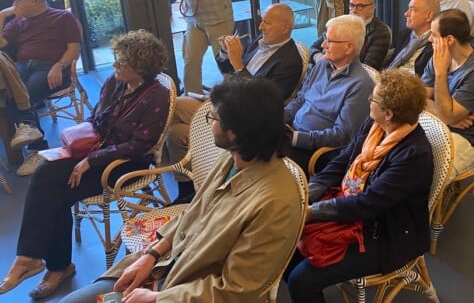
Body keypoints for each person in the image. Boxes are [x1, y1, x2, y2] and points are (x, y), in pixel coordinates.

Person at [57, 77, 304, 302]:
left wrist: (158, 298)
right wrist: (151, 255)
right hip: (167, 266)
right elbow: (194, 210)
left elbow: (236, 290)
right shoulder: (234, 158)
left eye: (214, 119)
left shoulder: (276, 204)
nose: (211, 125)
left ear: (234, 134)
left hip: (188, 291)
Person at [0, 30, 170, 300]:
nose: (114, 65)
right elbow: (96, 118)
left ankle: (53, 266)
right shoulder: (115, 82)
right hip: (95, 150)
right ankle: (31, 258)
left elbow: (138, 146)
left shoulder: (157, 97)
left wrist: (90, 160)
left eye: (121, 62)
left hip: (124, 164)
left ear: (140, 68)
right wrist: (77, 148)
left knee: (56, 192)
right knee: (45, 173)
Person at [285, 69, 433, 303]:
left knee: (300, 280)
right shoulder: (375, 125)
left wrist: (311, 212)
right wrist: (310, 191)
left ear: (388, 113)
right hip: (355, 207)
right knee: (286, 246)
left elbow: (368, 204)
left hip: (384, 234)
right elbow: (344, 158)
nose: (368, 101)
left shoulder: (414, 156)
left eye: (372, 99)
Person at [164, 3, 304, 203]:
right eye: (262, 21)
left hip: (242, 118)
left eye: (267, 23)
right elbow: (227, 69)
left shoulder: (290, 62)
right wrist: (224, 53)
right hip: (225, 102)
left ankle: (192, 189)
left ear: (285, 27)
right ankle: (186, 186)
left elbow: (262, 103)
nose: (261, 27)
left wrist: (239, 65)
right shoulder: (260, 42)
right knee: (175, 106)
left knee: (177, 133)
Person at [0, 0, 82, 176]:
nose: (14, 4)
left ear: (33, 1)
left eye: (17, 0)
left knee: (24, 92)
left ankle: (36, 146)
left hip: (52, 68)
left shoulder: (63, 17)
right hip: (22, 66)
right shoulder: (18, 22)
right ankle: (31, 133)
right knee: (8, 90)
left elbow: (74, 48)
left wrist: (59, 65)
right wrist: (2, 16)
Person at [284, 14, 374, 174]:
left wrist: (295, 138)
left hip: (315, 151)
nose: (323, 44)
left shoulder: (361, 84)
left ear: (349, 47)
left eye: (330, 41)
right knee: (250, 138)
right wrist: (279, 119)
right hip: (291, 133)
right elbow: (300, 99)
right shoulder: (321, 66)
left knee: (260, 159)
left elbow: (342, 135)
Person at [422, 9, 474, 177]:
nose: (429, 39)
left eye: (433, 35)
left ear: (449, 40)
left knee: (423, 171)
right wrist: (447, 117)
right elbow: (418, 98)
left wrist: (440, 73)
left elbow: (445, 114)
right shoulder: (440, 57)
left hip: (465, 138)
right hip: (438, 123)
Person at [309, 0, 391, 70]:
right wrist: (318, 57)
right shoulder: (340, 22)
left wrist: (332, 66)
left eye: (360, 6)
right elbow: (312, 48)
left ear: (372, 8)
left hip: (347, 75)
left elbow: (369, 68)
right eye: (352, 5)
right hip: (320, 69)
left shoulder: (381, 32)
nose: (354, 10)